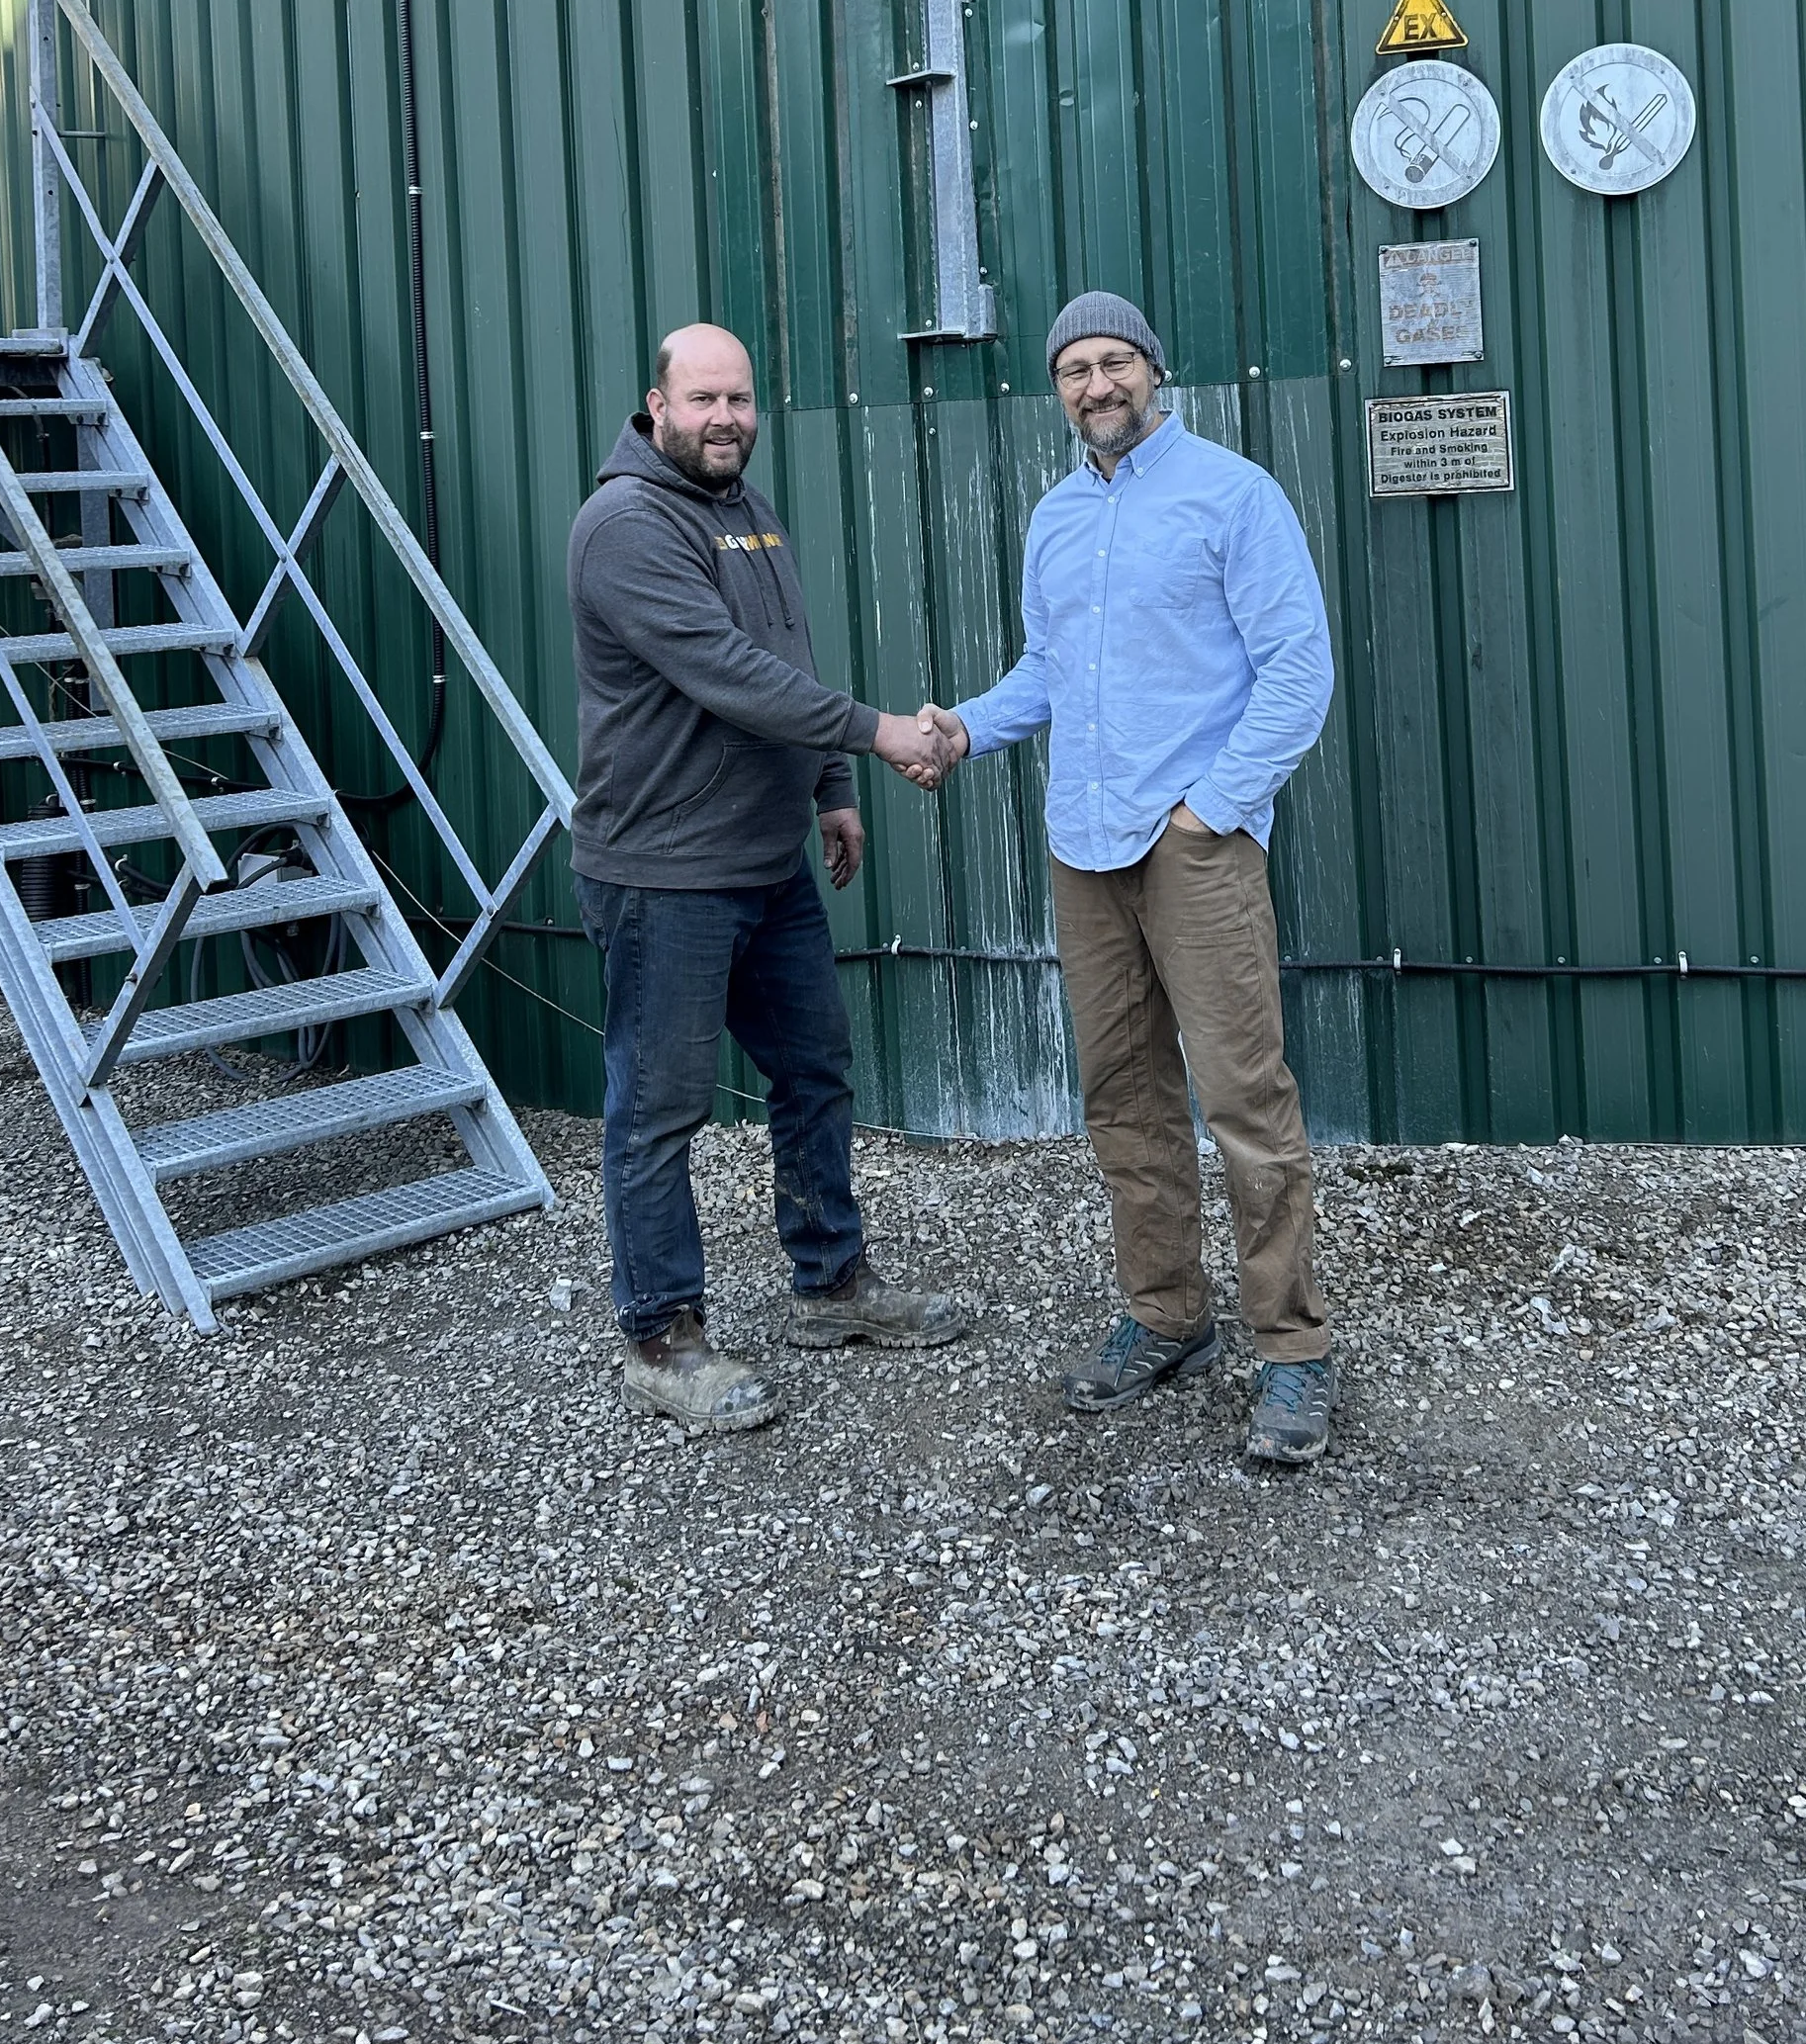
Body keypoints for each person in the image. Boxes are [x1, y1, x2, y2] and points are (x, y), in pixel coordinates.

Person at [922, 294, 1338, 1466]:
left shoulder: (1232, 496)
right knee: (1121, 1092)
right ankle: (1166, 1315)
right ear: (1056, 391)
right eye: (1072, 371)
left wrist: (1215, 808)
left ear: (1154, 369)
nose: (1094, 386)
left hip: (1189, 845)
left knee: (1245, 1100)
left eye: (1112, 363)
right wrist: (962, 730)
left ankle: (1294, 1351)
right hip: (1083, 842)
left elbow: (1295, 673)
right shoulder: (1055, 516)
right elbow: (1046, 674)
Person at [568, 322, 966, 1436]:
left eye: (740, 399)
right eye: (703, 400)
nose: (726, 419)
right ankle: (661, 1337)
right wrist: (882, 730)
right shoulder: (625, 526)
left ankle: (830, 1286)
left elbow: (783, 654)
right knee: (658, 1110)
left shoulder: (744, 509)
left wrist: (830, 783)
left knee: (814, 1070)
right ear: (656, 406)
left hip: (763, 859)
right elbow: (725, 674)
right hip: (663, 873)